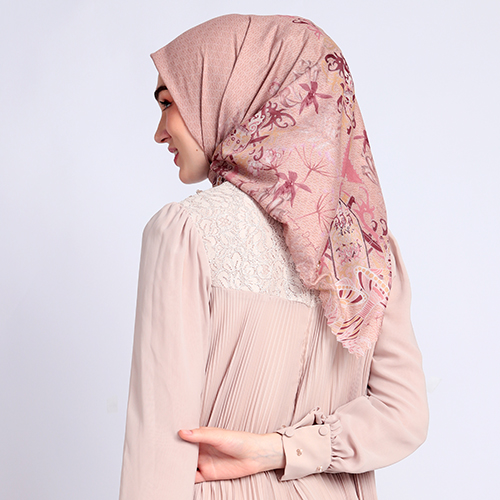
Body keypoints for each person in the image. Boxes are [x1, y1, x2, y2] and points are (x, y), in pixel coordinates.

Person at [119, 14, 429, 500]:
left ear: (230, 92)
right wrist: (285, 450)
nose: (160, 132)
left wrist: (270, 450)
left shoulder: (185, 232)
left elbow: (159, 452)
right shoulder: (366, 249)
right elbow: (404, 416)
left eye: (168, 103)